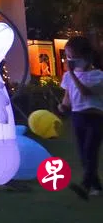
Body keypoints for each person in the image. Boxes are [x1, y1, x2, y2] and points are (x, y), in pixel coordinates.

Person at [60, 37, 103, 199]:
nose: (70, 60)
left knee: (90, 151)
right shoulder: (68, 76)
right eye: (68, 56)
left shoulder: (98, 75)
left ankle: (85, 185)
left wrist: (72, 74)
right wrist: (63, 107)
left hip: (95, 118)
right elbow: (67, 97)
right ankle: (96, 186)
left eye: (73, 56)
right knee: (84, 154)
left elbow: (85, 92)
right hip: (78, 117)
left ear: (85, 56)